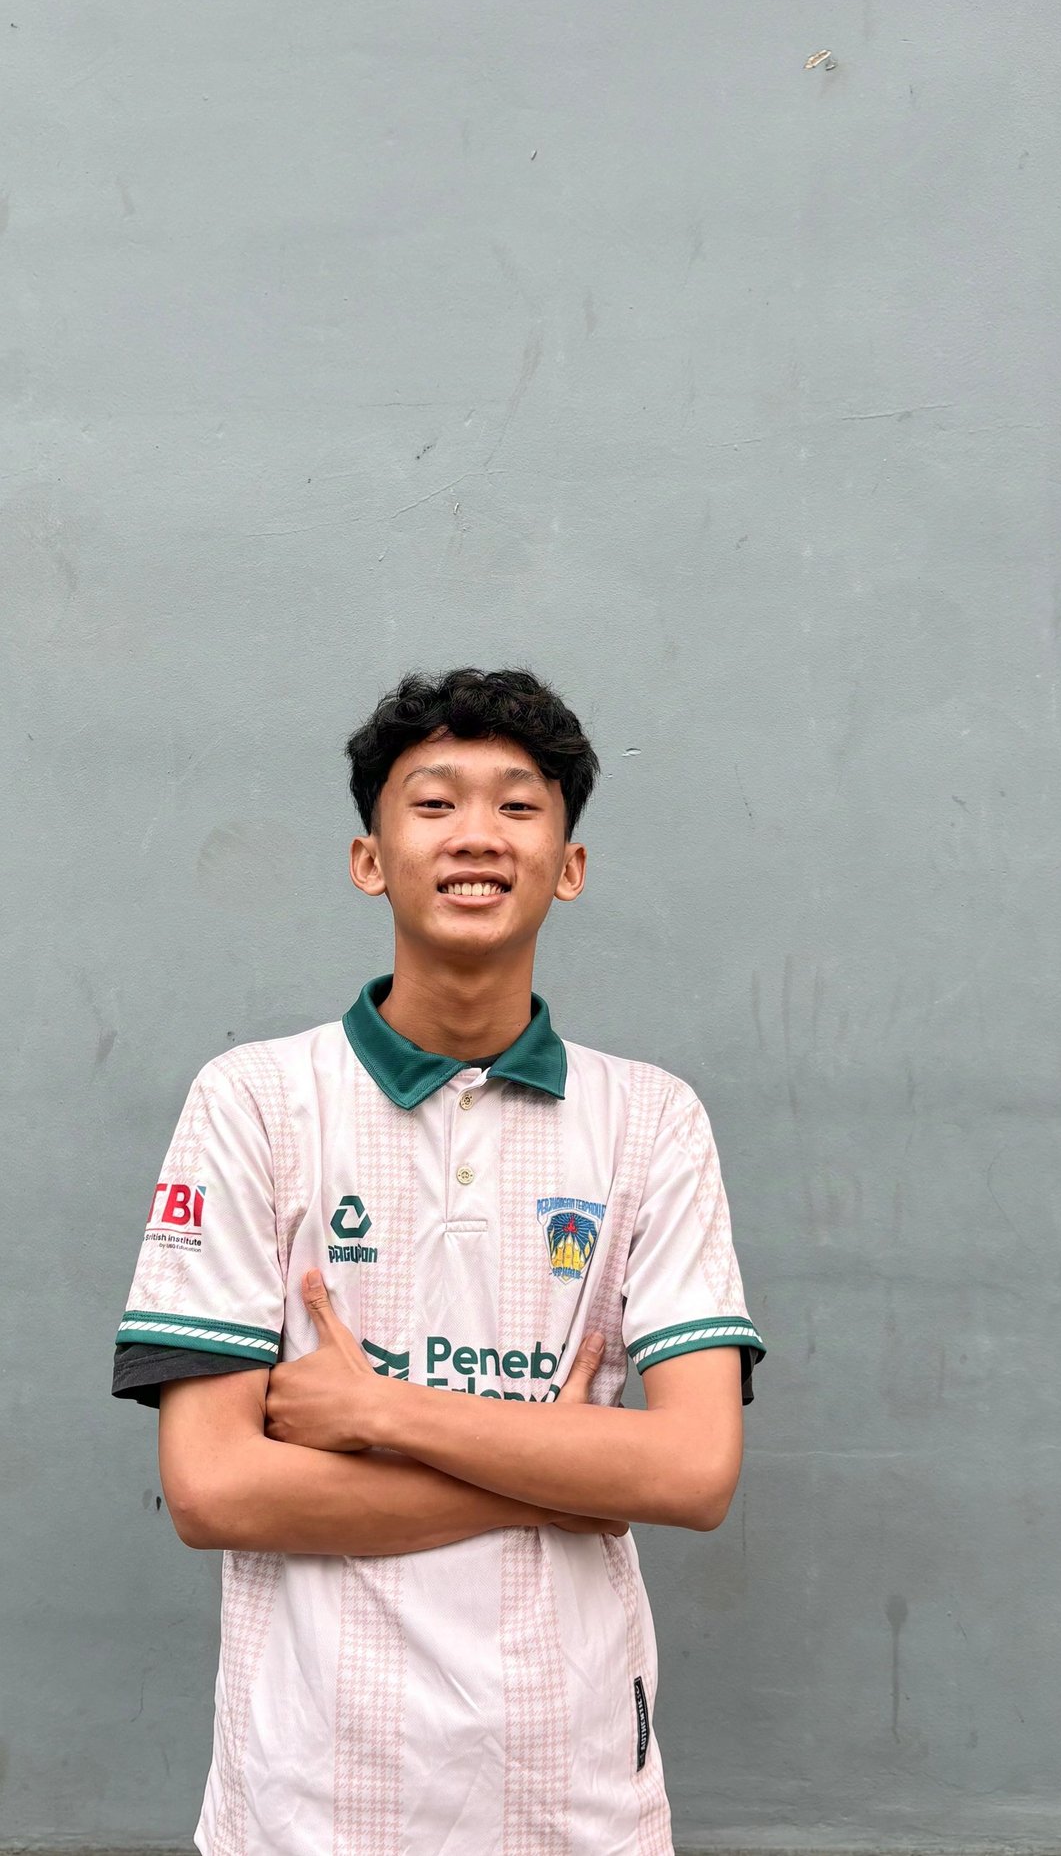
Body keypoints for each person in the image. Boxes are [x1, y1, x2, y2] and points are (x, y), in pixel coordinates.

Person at [111, 666, 766, 1856]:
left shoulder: (651, 1120)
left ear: (569, 866)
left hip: (573, 1802)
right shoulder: (256, 1101)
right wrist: (570, 1470)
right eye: (433, 803)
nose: (476, 835)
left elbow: (692, 1472)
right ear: (370, 860)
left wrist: (379, 1411)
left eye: (517, 805)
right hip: (307, 1806)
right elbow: (212, 1492)